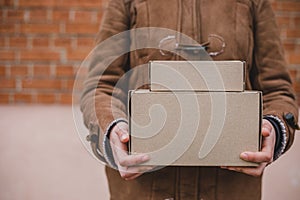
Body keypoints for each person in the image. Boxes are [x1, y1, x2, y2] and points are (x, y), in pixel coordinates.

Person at [80, 0, 299, 199]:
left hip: (229, 189)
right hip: (144, 189)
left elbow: (277, 90)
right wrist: (113, 130)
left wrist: (274, 129)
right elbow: (100, 86)